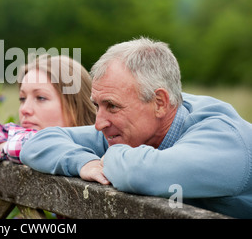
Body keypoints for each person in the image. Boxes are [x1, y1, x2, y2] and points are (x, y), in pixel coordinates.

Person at [20, 37, 252, 218]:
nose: (99, 123)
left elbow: (140, 174)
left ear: (160, 102)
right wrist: (84, 162)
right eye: (97, 105)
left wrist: (109, 157)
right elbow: (37, 143)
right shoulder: (131, 129)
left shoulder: (224, 138)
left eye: (111, 106)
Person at [0, 54, 96, 163]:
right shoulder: (18, 137)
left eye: (41, 98)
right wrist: (4, 146)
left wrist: (17, 147)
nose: (25, 109)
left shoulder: (99, 149)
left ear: (75, 106)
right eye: (22, 98)